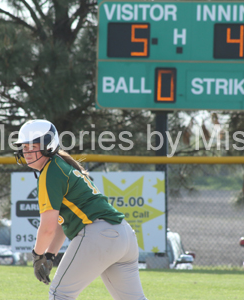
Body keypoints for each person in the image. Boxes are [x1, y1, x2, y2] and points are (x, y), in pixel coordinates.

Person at [13, 119, 147, 300]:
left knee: (60, 294)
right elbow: (61, 224)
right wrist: (50, 255)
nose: (27, 151)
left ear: (48, 145)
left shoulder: (50, 171)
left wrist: (37, 256)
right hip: (124, 235)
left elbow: (48, 228)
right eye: (25, 146)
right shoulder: (61, 165)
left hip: (99, 234)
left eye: (33, 145)